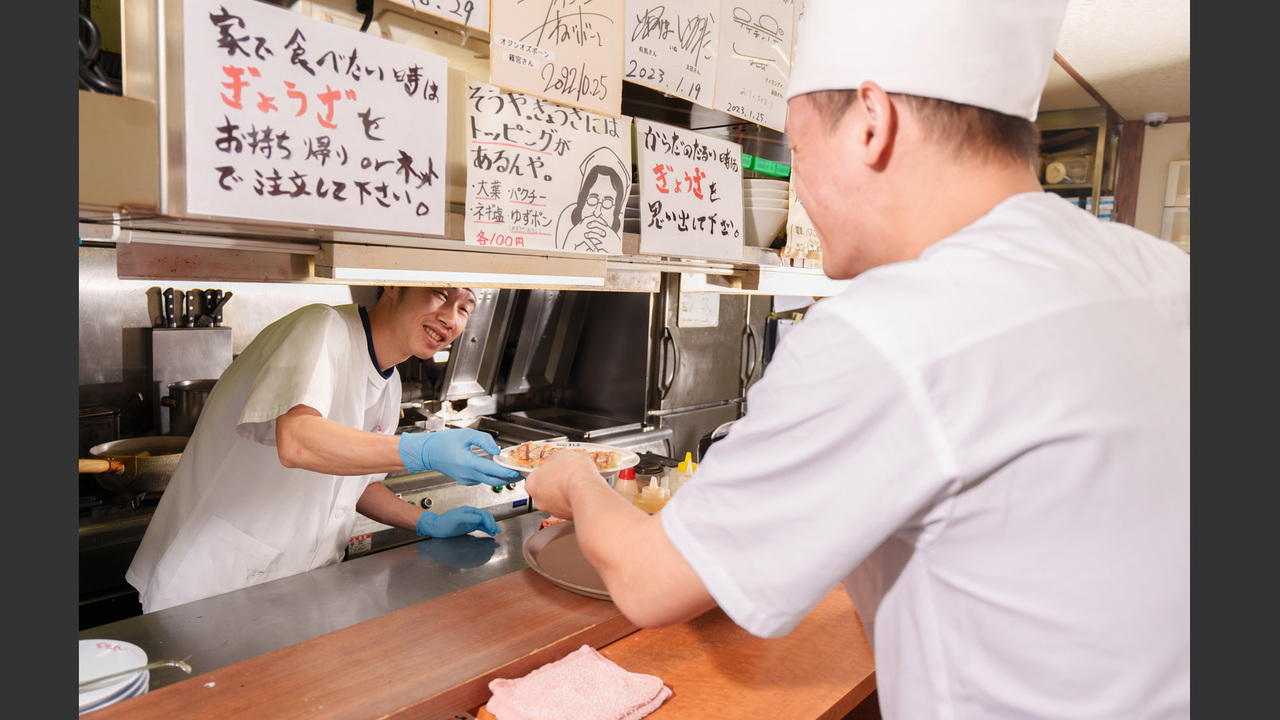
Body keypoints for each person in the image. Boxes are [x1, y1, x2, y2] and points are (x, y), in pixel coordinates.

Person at [525, 1, 1191, 718]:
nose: (800, 190)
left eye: (800, 152)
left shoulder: (896, 325)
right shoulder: (1164, 272)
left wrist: (577, 483)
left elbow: (652, 582)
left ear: (871, 123)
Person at [127, 286, 523, 613]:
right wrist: (419, 448)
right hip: (212, 588)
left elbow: (359, 485)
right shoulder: (321, 327)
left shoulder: (391, 385)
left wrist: (425, 523)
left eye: (465, 308)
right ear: (394, 286)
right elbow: (297, 441)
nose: (451, 319)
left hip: (296, 592)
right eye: (439, 295)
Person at [555, 146, 629, 253]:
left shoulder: (619, 235)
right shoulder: (566, 222)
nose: (597, 213)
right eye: (592, 200)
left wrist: (614, 247)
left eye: (607, 203)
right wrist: (570, 242)